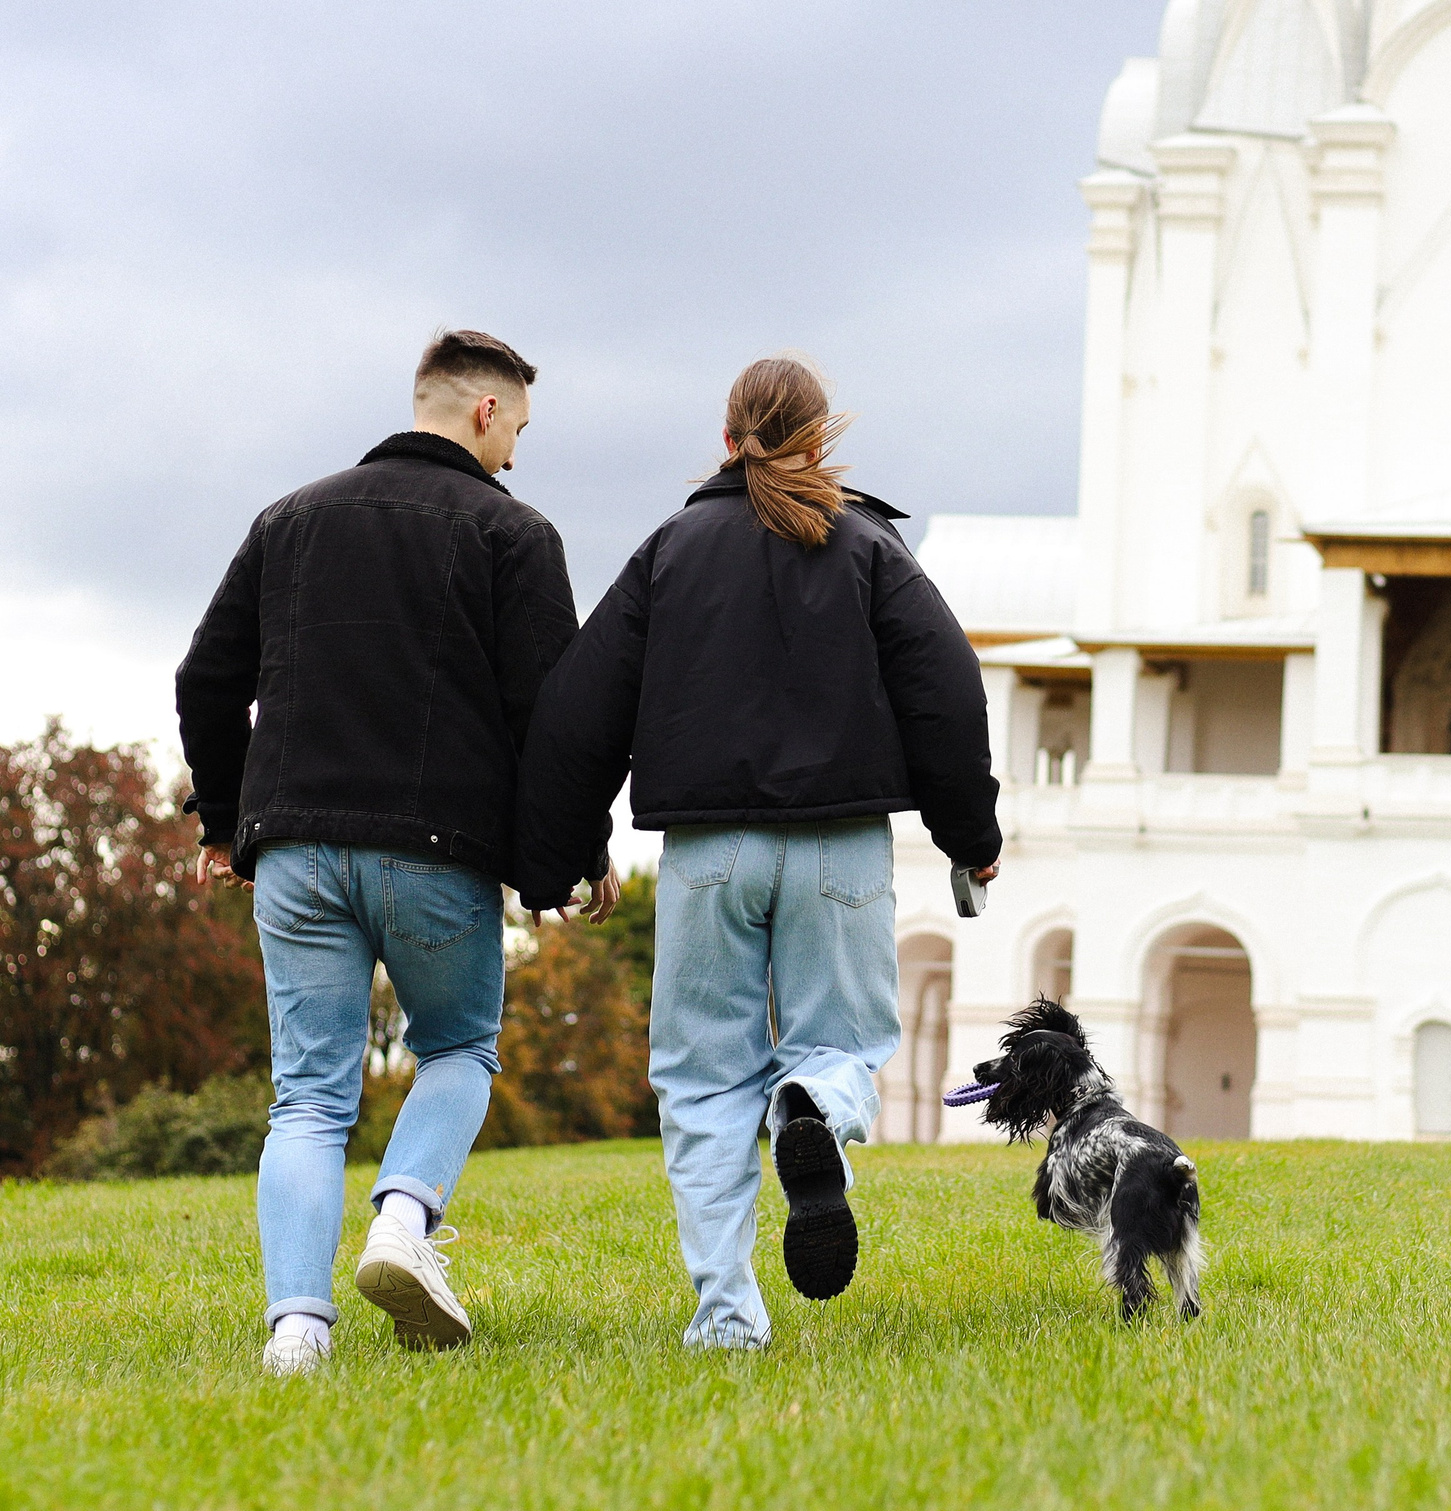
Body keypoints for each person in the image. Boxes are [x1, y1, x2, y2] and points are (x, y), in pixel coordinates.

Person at [514, 356, 1001, 1349]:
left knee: (699, 1079)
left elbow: (575, 710)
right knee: (841, 1042)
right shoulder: (871, 545)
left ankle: (727, 1315)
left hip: (708, 851)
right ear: (820, 442)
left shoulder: (671, 549)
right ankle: (812, 1104)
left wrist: (560, 852)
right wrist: (969, 836)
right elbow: (946, 690)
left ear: (726, 439)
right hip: (840, 849)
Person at [177, 329, 617, 1372]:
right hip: (436, 848)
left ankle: (295, 1330)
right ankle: (404, 1223)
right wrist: (571, 851)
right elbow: (551, 718)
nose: (515, 452)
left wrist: (224, 825)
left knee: (309, 1097)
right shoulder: (516, 534)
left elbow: (204, 678)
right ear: (481, 413)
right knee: (459, 1047)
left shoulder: (286, 520)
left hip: (290, 846)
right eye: (515, 428)